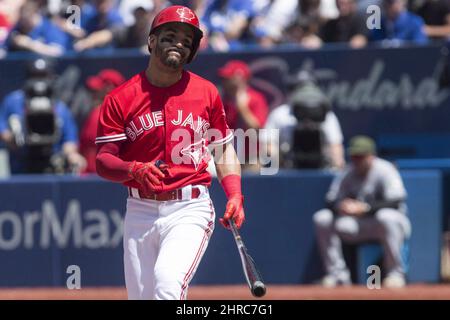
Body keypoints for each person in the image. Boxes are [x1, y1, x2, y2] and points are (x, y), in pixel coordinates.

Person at [95, 5, 245, 300]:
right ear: (152, 40)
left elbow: (223, 149)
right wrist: (132, 169)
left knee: (167, 286)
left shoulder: (206, 93)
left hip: (189, 208)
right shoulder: (121, 97)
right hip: (140, 210)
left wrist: (235, 193)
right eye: (171, 35)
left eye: (187, 41)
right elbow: (103, 160)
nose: (179, 42)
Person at [313, 136, 411, 288]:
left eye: (361, 156)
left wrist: (365, 208)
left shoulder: (385, 169)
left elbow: (395, 201)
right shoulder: (347, 172)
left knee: (386, 217)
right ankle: (337, 275)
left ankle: (395, 275)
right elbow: (330, 200)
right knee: (322, 218)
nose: (356, 160)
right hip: (357, 225)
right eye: (354, 156)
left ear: (371, 156)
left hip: (385, 225)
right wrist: (341, 206)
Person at [0, 58, 86, 174]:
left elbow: (69, 138)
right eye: (35, 75)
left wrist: (71, 155)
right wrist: (12, 138)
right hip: (21, 164)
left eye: (43, 75)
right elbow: (2, 126)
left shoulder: (59, 107)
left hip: (51, 163)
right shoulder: (13, 101)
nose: (39, 80)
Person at [264, 71, 345, 170]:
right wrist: (280, 163)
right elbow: (268, 143)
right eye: (299, 87)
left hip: (321, 169)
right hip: (288, 169)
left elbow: (335, 145)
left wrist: (336, 167)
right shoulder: (279, 114)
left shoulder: (326, 114)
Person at [79, 69, 125, 174]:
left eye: (96, 90)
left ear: (109, 88)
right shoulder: (96, 110)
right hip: (93, 175)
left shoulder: (103, 113)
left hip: (99, 178)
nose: (93, 93)